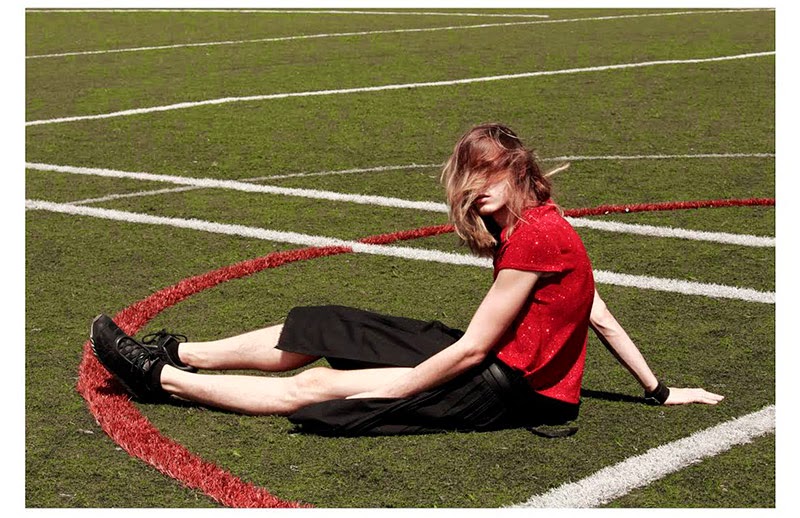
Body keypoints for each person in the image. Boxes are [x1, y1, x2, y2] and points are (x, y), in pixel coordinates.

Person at [90, 123, 723, 437]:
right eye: (470, 178)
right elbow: (597, 312)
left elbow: (473, 351)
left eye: (490, 175)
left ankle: (160, 379)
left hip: (514, 389)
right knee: (326, 325)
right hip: (495, 362)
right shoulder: (537, 224)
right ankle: (180, 351)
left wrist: (398, 386)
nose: (476, 190)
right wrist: (659, 390)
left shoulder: (535, 235)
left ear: (519, 169)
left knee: (321, 389)